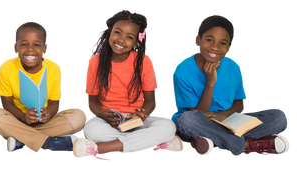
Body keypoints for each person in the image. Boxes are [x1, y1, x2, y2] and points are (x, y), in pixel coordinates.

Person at [73, 7, 185, 163]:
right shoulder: (94, 63)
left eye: (129, 37)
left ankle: (100, 148)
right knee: (91, 129)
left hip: (137, 121)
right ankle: (155, 143)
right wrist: (103, 113)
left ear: (135, 41)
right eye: (118, 32)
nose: (121, 40)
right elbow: (91, 101)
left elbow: (150, 100)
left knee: (167, 126)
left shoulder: (145, 61)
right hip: (109, 121)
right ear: (109, 32)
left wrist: (142, 114)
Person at [172, 12, 291, 158]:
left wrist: (222, 115)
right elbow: (198, 114)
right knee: (187, 121)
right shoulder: (182, 71)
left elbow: (240, 104)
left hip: (228, 120)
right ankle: (247, 145)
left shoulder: (234, 66)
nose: (215, 47)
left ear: (229, 48)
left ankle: (214, 142)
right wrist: (210, 82)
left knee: (280, 116)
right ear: (197, 41)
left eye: (222, 43)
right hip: (201, 121)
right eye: (210, 40)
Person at [0, 19, 87, 156]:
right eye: (24, 44)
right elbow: (6, 103)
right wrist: (23, 117)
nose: (30, 49)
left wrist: (48, 114)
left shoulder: (55, 67)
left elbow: (55, 103)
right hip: (16, 119)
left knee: (80, 114)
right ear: (15, 48)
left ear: (46, 49)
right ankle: (48, 144)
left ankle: (20, 141)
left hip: (44, 123)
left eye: (36, 45)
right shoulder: (4, 67)